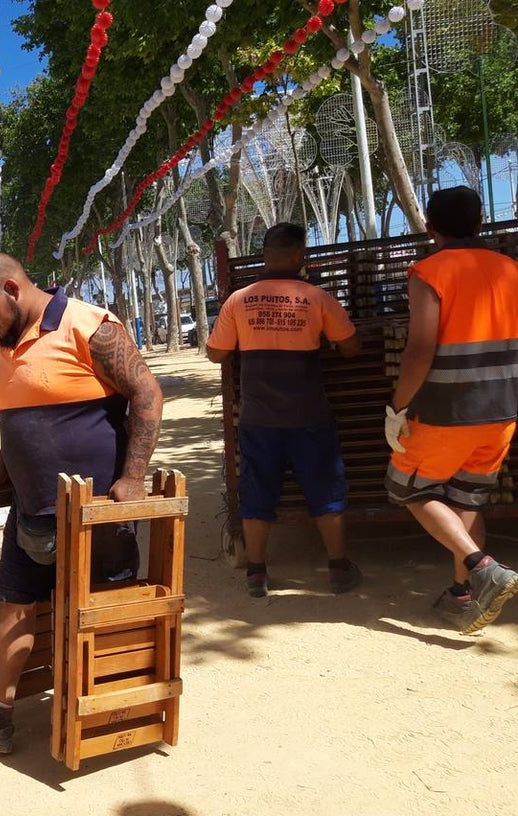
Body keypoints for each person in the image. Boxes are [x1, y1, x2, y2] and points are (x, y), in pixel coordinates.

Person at [0, 250, 163, 754]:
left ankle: (114, 712)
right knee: (15, 607)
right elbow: (18, 426)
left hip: (94, 513)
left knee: (103, 609)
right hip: (30, 512)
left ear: (12, 289)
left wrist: (133, 478)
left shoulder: (89, 326)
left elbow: (146, 395)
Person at [384, 186, 518, 634]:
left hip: (448, 409)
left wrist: (398, 406)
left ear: (430, 227)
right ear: (480, 223)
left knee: (408, 488)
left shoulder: (428, 271)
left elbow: (421, 348)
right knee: (465, 499)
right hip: (503, 411)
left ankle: (484, 567)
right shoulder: (509, 269)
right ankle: (463, 595)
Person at [206, 222, 364, 597]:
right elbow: (352, 347)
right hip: (309, 415)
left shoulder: (238, 301)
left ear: (265, 255)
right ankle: (338, 569)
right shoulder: (317, 298)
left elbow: (215, 353)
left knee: (257, 492)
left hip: (259, 418)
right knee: (325, 490)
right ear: (299, 256)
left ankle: (257, 574)